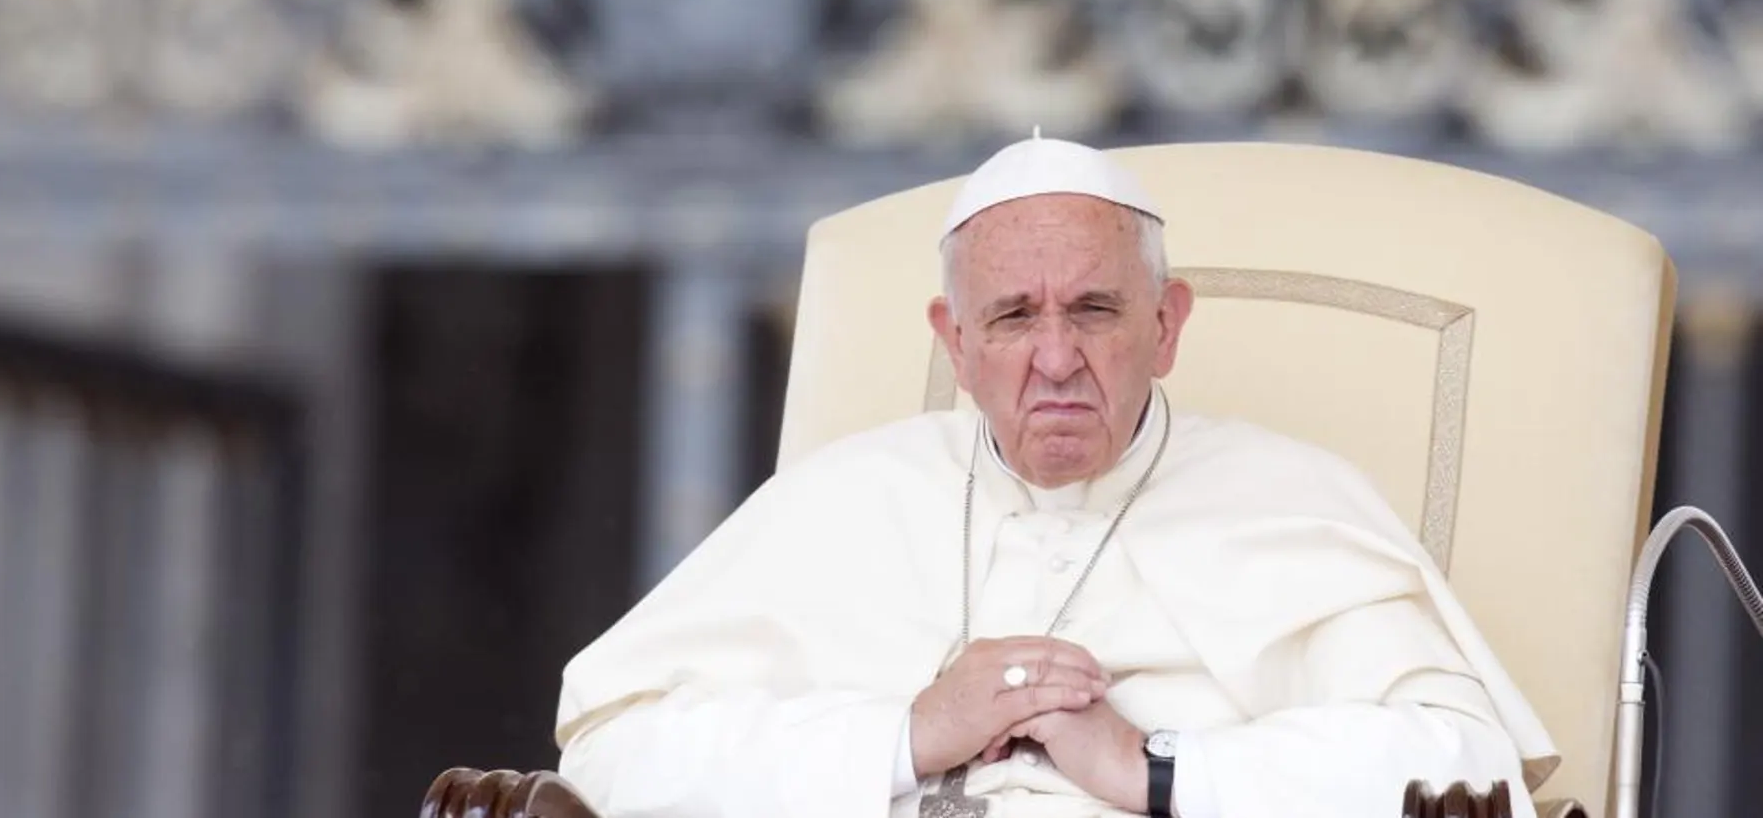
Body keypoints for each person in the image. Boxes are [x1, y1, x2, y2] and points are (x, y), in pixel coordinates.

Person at [552, 135, 1557, 818]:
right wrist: (901, 736)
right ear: (953, 341)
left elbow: (1468, 772)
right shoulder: (846, 498)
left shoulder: (1289, 501)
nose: (1055, 358)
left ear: (1165, 327)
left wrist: (1154, 769)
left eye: (1093, 310)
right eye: (1011, 317)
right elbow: (609, 750)